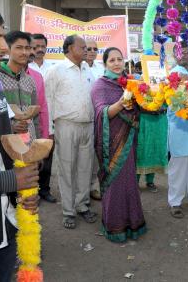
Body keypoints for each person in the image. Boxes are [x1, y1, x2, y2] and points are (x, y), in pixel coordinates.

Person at [0, 5, 39, 282]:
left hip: (4, 222)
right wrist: (12, 181)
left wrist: (22, 194)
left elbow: (4, 147)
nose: (3, 46)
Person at [91, 47, 146, 242]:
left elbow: (142, 106)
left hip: (129, 139)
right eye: (112, 60)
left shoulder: (131, 83)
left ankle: (133, 223)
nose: (116, 63)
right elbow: (101, 113)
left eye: (119, 59)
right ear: (105, 63)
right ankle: (115, 226)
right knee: (114, 183)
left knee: (129, 181)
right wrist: (121, 103)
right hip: (111, 143)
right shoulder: (100, 85)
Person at [45, 35, 96, 229]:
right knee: (67, 169)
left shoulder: (87, 69)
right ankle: (68, 211)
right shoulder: (56, 70)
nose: (86, 50)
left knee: (86, 168)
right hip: (65, 125)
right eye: (82, 47)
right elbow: (48, 100)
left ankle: (82, 205)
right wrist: (50, 130)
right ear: (69, 48)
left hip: (87, 125)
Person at [167, 41, 188, 218]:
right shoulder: (170, 75)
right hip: (178, 126)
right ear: (175, 55)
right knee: (178, 166)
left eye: (187, 52)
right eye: (181, 52)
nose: (184, 55)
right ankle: (175, 201)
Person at [0, 31, 39, 142]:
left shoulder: (30, 81)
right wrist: (11, 127)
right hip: (5, 143)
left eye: (27, 48)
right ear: (8, 50)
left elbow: (34, 116)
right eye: (19, 48)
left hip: (29, 142)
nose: (24, 52)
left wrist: (37, 144)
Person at [27, 43, 56, 203]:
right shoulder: (26, 67)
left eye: (42, 46)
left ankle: (45, 190)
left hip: (49, 119)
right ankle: (32, 191)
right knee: (30, 160)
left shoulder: (52, 68)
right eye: (35, 46)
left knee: (47, 158)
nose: (39, 49)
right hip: (28, 125)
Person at [135, 66, 167, 193]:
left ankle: (150, 181)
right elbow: (137, 103)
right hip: (145, 122)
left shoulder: (164, 83)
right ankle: (135, 183)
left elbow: (168, 102)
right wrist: (151, 109)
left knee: (155, 149)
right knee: (142, 150)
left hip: (159, 123)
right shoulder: (140, 83)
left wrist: (162, 108)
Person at [85, 39, 102, 201]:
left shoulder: (101, 69)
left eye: (94, 49)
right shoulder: (77, 68)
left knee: (96, 155)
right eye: (88, 48)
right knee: (82, 157)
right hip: (82, 118)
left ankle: (93, 187)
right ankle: (81, 190)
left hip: (99, 118)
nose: (91, 51)